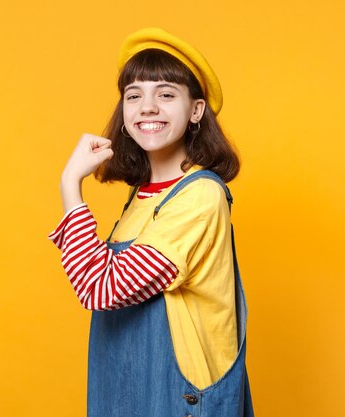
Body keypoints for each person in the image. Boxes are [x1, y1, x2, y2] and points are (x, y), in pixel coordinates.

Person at [49, 27, 254, 417]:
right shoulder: (142, 197)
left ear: (195, 110)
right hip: (123, 400)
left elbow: (101, 287)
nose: (147, 107)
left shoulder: (200, 196)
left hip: (177, 403)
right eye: (134, 95)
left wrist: (69, 185)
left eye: (165, 94)